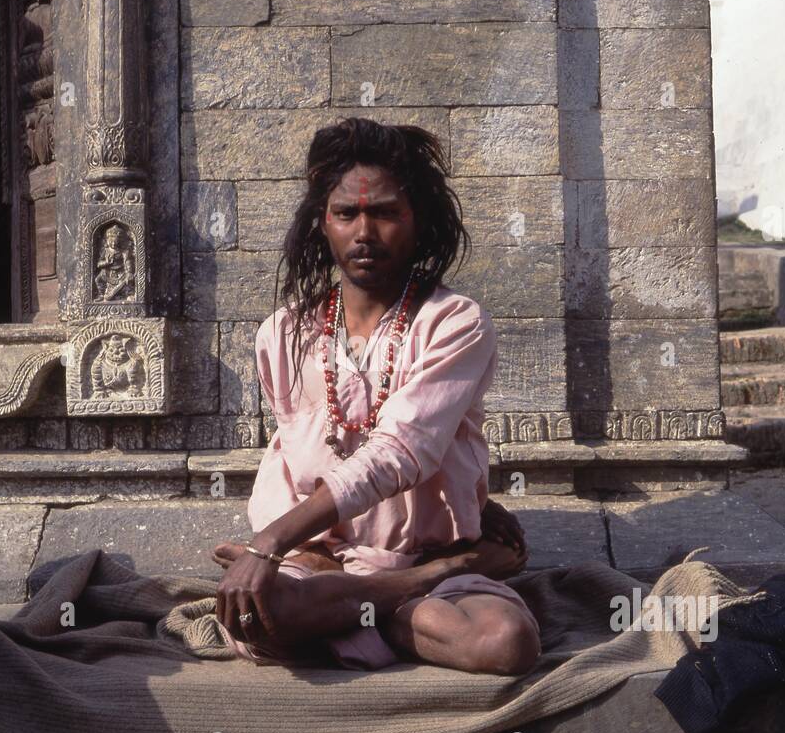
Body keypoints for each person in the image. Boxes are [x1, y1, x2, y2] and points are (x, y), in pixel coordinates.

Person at [211, 117, 541, 675]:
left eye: (385, 212)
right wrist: (288, 547)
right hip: (322, 560)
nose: (364, 231)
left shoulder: (454, 322)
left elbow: (402, 450)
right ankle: (397, 595)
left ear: (418, 222)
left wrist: (267, 543)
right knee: (252, 616)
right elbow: (298, 455)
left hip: (431, 559)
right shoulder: (283, 333)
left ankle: (364, 603)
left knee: (505, 643)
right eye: (347, 214)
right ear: (323, 223)